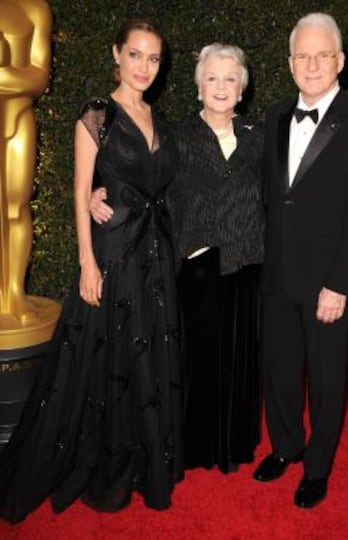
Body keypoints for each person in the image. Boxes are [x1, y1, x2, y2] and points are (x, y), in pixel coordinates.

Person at [0, 18, 183, 523]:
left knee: (147, 353)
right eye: (136, 55)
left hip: (155, 253)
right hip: (113, 250)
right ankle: (103, 456)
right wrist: (86, 261)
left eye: (154, 58)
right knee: (106, 357)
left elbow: (162, 186)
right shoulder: (97, 114)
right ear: (116, 55)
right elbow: (82, 194)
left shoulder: (158, 118)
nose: (145, 66)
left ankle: (146, 455)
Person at [91, 43, 265, 473]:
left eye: (230, 80)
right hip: (196, 266)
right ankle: (196, 446)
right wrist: (100, 191)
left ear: (241, 90)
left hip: (247, 265)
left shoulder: (258, 139)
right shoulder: (175, 135)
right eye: (212, 78)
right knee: (196, 362)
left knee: (239, 360)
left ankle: (234, 443)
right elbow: (139, 178)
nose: (221, 87)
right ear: (199, 87)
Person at [253, 13, 348, 509]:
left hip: (328, 282)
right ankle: (286, 447)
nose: (312, 64)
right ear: (290, 64)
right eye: (302, 56)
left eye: (322, 55)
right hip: (277, 274)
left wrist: (341, 284)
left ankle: (317, 467)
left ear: (340, 61)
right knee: (279, 370)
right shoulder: (272, 118)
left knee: (329, 380)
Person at [0, 0, 51, 321]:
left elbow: (39, 78)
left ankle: (14, 291)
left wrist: (6, 75)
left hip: (17, 118)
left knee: (16, 207)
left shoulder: (34, 8)